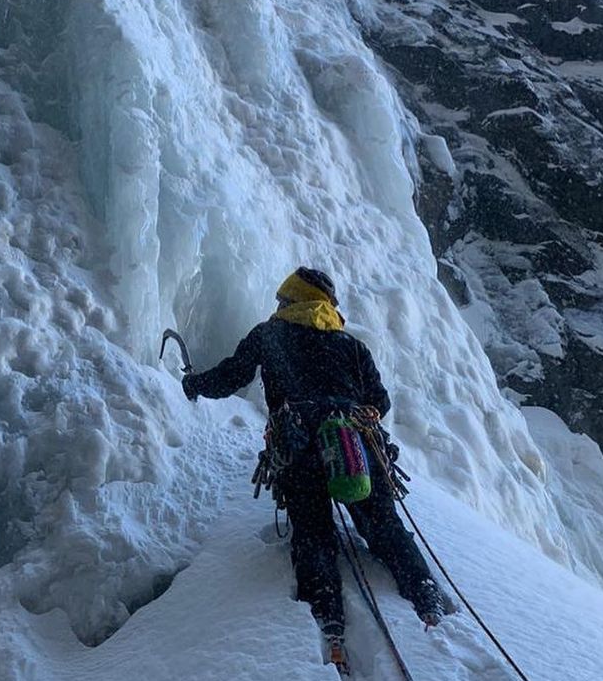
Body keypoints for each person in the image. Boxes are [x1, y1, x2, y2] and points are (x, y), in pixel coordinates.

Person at [180, 266, 445, 655]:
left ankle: (329, 616)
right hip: (355, 442)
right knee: (383, 522)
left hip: (299, 443)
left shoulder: (268, 335)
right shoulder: (351, 345)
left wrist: (193, 383)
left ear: (291, 300)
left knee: (313, 532)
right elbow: (380, 402)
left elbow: (231, 376)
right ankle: (425, 594)